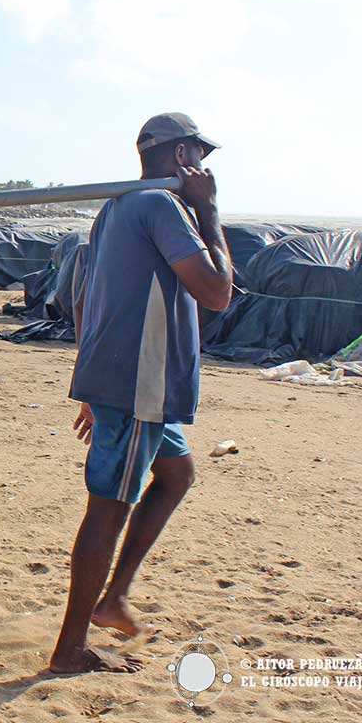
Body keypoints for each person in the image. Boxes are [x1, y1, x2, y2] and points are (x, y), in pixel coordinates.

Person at [49, 113, 233, 674]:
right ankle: (69, 650)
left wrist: (89, 380)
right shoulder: (163, 207)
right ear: (182, 157)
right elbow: (218, 292)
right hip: (140, 384)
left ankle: (114, 597)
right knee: (107, 507)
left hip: (125, 378)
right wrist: (209, 209)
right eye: (200, 156)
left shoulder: (115, 210)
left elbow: (86, 300)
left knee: (177, 474)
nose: (204, 168)